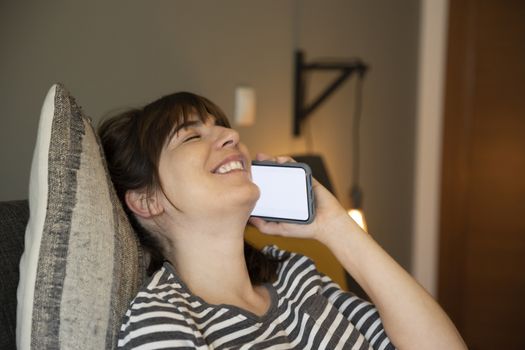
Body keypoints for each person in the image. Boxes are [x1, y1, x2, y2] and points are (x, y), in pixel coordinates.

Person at [98, 92, 467, 350]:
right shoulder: (163, 319)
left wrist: (335, 225)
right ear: (147, 201)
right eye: (193, 135)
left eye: (222, 127)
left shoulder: (295, 278)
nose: (231, 136)